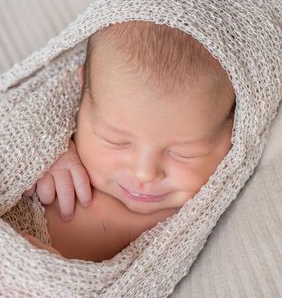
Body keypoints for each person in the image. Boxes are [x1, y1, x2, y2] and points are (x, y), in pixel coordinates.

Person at [23, 21, 236, 262]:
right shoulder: (59, 132)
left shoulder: (187, 223)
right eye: (115, 140)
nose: (144, 173)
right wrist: (48, 149)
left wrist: (53, 283)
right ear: (83, 93)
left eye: (183, 153)